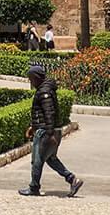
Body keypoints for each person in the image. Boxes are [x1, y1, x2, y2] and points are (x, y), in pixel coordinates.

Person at [19, 64, 83, 198]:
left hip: (46, 132)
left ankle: (34, 187)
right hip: (47, 130)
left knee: (37, 160)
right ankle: (72, 179)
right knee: (51, 159)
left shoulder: (44, 92)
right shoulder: (46, 89)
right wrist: (33, 126)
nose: (31, 82)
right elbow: (43, 113)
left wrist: (49, 133)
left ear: (36, 78)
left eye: (31, 79)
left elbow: (49, 114)